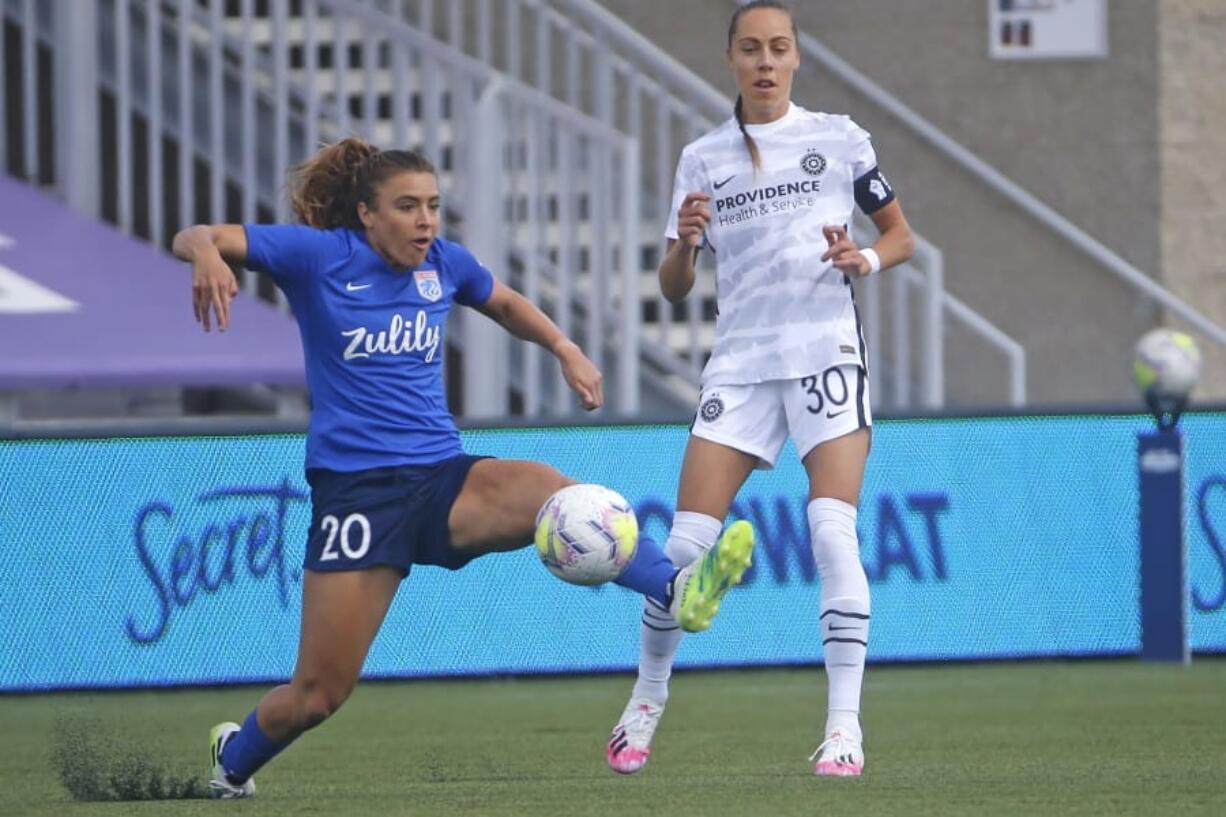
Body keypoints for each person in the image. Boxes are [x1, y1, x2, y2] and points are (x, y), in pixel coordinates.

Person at [173, 137, 756, 798]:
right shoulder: (319, 257)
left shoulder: (445, 263)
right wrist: (206, 256)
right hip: (356, 497)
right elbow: (193, 233)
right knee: (316, 694)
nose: (426, 221)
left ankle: (674, 588)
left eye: (433, 205)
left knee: (559, 494)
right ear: (366, 214)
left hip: (440, 478)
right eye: (407, 207)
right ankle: (233, 758)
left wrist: (564, 347)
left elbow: (503, 302)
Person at [604, 0, 914, 779]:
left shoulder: (840, 139)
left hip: (824, 354)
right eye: (751, 49)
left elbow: (900, 235)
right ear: (732, 60)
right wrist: (685, 238)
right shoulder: (703, 156)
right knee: (681, 548)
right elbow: (674, 286)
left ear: (797, 58)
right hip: (740, 364)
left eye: (779, 48)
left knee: (831, 528)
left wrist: (864, 261)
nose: (766, 62)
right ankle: (643, 706)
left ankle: (844, 728)